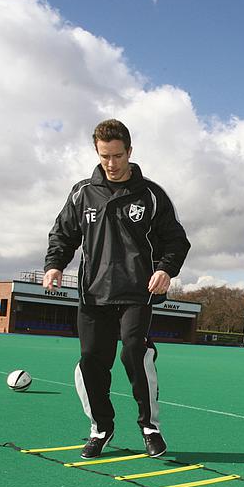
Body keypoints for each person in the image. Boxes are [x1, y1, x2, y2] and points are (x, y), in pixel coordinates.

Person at [43, 119, 191, 459]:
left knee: (134, 350)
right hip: (93, 293)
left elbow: (176, 241)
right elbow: (63, 234)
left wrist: (165, 270)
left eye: (118, 155)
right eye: (105, 156)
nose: (111, 163)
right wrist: (54, 265)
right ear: (97, 152)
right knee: (91, 361)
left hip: (137, 291)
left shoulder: (151, 194)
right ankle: (101, 428)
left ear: (130, 151)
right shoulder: (82, 193)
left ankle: (149, 426)